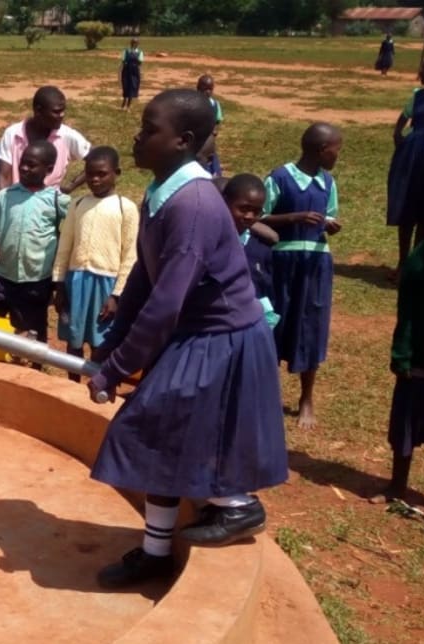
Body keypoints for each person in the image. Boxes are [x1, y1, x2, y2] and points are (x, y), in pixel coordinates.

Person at [87, 89, 287, 589]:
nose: (137, 134)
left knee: (151, 425)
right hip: (195, 334)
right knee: (165, 435)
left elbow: (167, 303)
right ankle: (156, 552)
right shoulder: (161, 194)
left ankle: (239, 505)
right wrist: (112, 343)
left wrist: (113, 369)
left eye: (150, 128)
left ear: (184, 140)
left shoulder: (192, 205)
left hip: (222, 339)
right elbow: (143, 279)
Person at [261, 123, 344, 430]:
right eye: (336, 149)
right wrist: (294, 218)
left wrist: (330, 224)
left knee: (311, 325)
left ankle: (306, 397)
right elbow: (258, 217)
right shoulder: (280, 177)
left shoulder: (327, 182)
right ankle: (267, 394)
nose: (338, 155)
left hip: (316, 263)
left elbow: (330, 213)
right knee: (276, 323)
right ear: (322, 150)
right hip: (284, 260)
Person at [0, 141, 70, 363]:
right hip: (2, 277)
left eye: (32, 166)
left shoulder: (56, 201)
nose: (24, 169)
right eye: (22, 163)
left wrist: (58, 281)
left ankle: (34, 373)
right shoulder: (5, 197)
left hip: (36, 280)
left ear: (49, 169)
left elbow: (67, 239)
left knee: (35, 330)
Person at [52, 146, 138, 381]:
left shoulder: (126, 208)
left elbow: (130, 255)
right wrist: (59, 283)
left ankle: (97, 383)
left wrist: (117, 295)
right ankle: (73, 385)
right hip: (76, 280)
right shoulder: (78, 204)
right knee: (74, 337)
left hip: (106, 285)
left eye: (102, 174)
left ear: (116, 173)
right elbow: (65, 245)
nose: (95, 179)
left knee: (101, 340)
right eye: (90, 174)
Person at [380, 238, 424, 503]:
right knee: (404, 428)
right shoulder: (420, 259)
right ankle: (397, 486)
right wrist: (402, 355)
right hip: (418, 360)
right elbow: (406, 311)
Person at [0, 86, 90, 194]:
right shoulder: (13, 134)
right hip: (15, 205)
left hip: (48, 207)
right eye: (56, 112)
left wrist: (71, 186)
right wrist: (3, 204)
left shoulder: (66, 136)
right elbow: (3, 175)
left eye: (63, 110)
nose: (62, 115)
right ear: (38, 111)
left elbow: (98, 158)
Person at [221, 173, 280, 330]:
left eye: (256, 212)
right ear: (224, 203)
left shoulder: (261, 249)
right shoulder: (211, 244)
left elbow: (267, 289)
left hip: (253, 328)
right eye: (243, 209)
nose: (249, 216)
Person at [387, 60, 424, 279]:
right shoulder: (418, 96)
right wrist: (398, 136)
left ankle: (417, 263)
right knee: (407, 209)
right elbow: (403, 118)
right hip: (412, 158)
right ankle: (403, 262)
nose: (421, 72)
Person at [196, 75, 224, 176]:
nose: (207, 92)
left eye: (210, 89)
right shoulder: (194, 104)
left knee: (212, 162)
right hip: (197, 142)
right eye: (204, 89)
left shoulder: (215, 104)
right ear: (198, 88)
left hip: (210, 141)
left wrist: (215, 130)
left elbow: (218, 120)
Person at [120, 38, 143, 111]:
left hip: (134, 71)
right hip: (126, 70)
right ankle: (124, 101)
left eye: (136, 43)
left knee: (132, 86)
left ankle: (128, 106)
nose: (135, 44)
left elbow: (140, 62)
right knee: (125, 86)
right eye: (133, 43)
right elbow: (123, 60)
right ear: (131, 43)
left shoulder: (140, 52)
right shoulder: (126, 51)